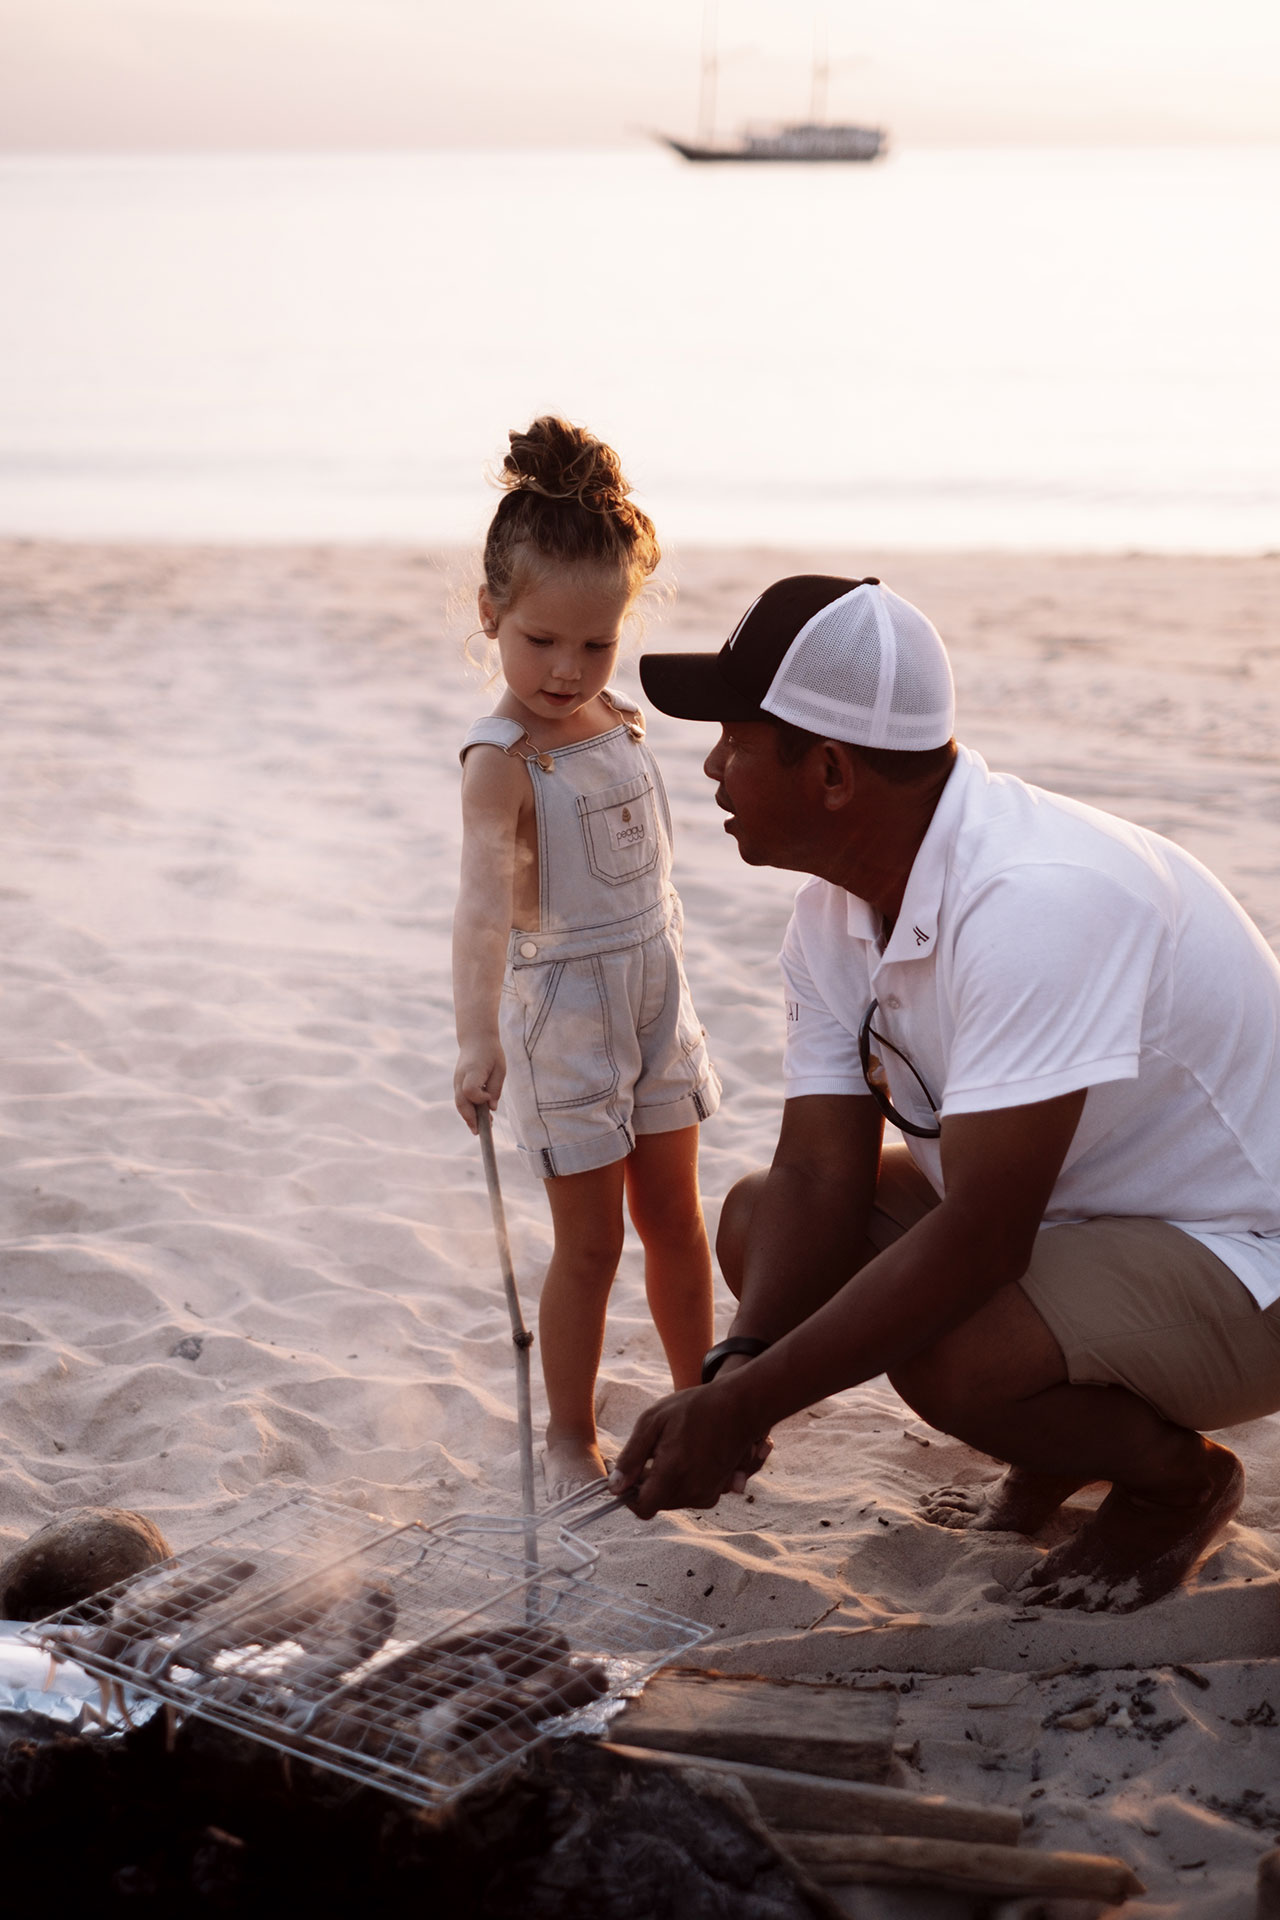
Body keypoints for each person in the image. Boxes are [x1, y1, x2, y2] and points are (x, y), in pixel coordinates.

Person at [609, 573, 1280, 1613]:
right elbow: (816, 1173)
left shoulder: (1033, 901)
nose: (710, 764)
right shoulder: (835, 913)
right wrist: (735, 1370)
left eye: (738, 737)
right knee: (759, 1222)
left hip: (1246, 1260)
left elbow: (981, 1240)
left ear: (829, 770)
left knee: (952, 1351)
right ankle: (1063, 1443)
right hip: (1096, 1225)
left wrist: (747, 1408)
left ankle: (1172, 1484)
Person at [452, 417, 720, 1500]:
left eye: (594, 644)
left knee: (673, 1218)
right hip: (562, 1009)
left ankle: (701, 1399)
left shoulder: (619, 716)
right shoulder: (497, 761)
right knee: (591, 1241)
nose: (566, 671)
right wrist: (475, 1036)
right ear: (491, 617)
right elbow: (478, 910)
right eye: (539, 643)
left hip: (655, 990)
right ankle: (568, 1434)